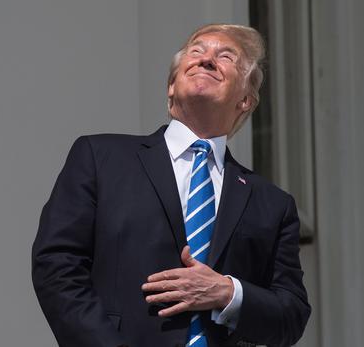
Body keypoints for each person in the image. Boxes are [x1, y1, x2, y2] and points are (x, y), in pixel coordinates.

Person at [32, 24, 310, 347]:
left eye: (225, 57)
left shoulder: (272, 204)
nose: (207, 60)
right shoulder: (101, 159)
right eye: (196, 51)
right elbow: (56, 266)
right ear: (171, 87)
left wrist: (227, 292)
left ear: (246, 100)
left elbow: (291, 315)